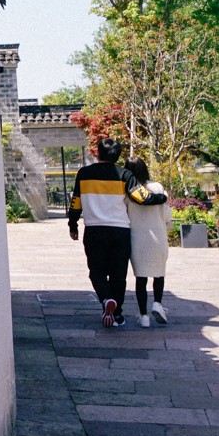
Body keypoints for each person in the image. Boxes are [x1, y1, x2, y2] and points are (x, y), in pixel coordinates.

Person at [68, 137, 132, 328]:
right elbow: (140, 196)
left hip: (94, 230)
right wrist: (160, 197)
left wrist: (73, 225)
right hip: (120, 230)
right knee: (118, 275)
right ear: (118, 155)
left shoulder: (84, 173)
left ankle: (106, 300)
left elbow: (76, 202)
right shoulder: (125, 174)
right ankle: (118, 314)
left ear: (98, 152)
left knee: (96, 272)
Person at [123, 157, 171, 327]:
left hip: (137, 239)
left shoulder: (126, 191)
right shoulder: (157, 188)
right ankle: (158, 303)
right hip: (158, 236)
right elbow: (167, 215)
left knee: (141, 278)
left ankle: (143, 316)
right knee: (159, 274)